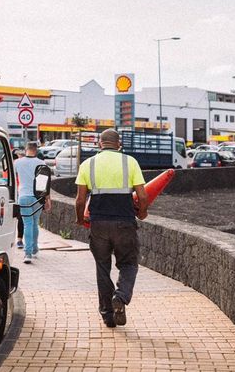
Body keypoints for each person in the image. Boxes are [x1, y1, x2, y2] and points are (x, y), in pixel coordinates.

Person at [74, 129, 148, 328]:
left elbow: (80, 200)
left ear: (100, 143)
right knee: (129, 264)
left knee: (102, 268)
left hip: (98, 225)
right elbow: (142, 196)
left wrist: (80, 219)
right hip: (124, 224)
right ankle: (121, 296)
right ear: (119, 144)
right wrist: (142, 213)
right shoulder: (130, 162)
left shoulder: (87, 164)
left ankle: (108, 315)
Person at [14, 141, 49, 264]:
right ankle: (34, 249)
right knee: (35, 223)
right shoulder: (42, 163)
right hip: (38, 197)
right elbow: (45, 184)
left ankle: (27, 253)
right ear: (36, 150)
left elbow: (12, 178)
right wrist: (47, 200)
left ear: (26, 149)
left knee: (27, 223)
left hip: (23, 196)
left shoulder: (17, 162)